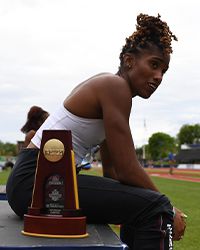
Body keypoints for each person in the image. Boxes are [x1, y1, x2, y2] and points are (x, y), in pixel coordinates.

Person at [6, 14, 186, 249]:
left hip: (36, 184)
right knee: (157, 207)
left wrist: (126, 202)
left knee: (143, 203)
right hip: (36, 183)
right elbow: (127, 168)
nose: (159, 76)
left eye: (164, 70)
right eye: (154, 64)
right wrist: (169, 208)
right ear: (129, 61)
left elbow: (114, 172)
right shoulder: (114, 87)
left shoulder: (113, 92)